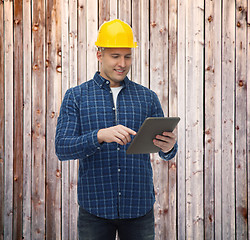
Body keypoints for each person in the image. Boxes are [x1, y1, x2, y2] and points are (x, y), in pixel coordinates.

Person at [55, 19, 178, 240]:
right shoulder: (76, 97)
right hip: (95, 209)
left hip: (139, 207)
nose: (122, 63)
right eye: (115, 56)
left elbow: (165, 149)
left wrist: (169, 147)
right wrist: (99, 136)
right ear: (99, 54)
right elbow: (62, 148)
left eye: (127, 56)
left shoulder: (147, 98)